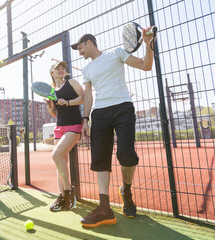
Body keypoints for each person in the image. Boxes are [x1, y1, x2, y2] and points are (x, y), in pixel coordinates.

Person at [71, 27, 156, 227]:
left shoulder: (117, 53)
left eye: (80, 47)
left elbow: (146, 65)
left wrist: (148, 44)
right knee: (100, 160)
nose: (79, 52)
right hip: (100, 114)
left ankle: (126, 189)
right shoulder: (86, 70)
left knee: (126, 155)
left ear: (90, 42)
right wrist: (85, 118)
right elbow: (89, 95)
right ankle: (104, 209)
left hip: (122, 108)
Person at [45, 60, 84, 212]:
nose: (61, 70)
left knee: (56, 155)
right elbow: (55, 113)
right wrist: (49, 106)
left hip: (74, 125)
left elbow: (82, 98)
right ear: (52, 73)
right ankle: (62, 196)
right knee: (59, 162)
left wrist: (67, 102)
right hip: (59, 127)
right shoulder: (51, 90)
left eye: (63, 68)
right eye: (57, 68)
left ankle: (68, 191)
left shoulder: (72, 82)